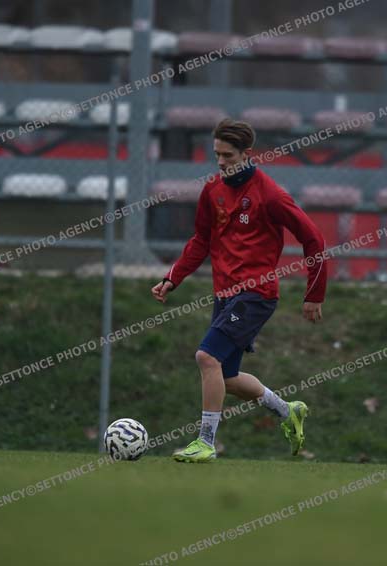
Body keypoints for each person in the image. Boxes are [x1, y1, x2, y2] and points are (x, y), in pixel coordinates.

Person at [151, 119, 327, 463]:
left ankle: (205, 443)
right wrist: (174, 277)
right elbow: (201, 240)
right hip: (225, 295)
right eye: (216, 154)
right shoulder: (212, 189)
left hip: (256, 294)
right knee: (227, 378)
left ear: (247, 154)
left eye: (228, 155)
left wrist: (314, 293)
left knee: (206, 358)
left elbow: (314, 239)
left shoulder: (271, 195)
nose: (220, 162)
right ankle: (288, 410)